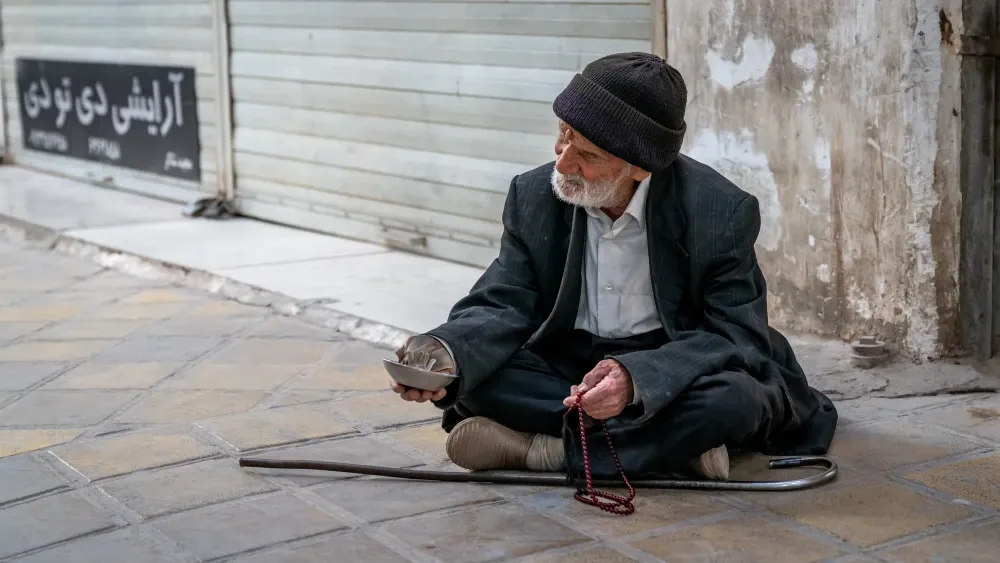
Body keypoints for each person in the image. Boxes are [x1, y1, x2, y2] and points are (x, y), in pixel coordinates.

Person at [389, 52, 838, 481]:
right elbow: (505, 300)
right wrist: (447, 352)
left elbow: (736, 333)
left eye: (588, 155)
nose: (563, 161)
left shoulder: (720, 211)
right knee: (477, 379)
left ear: (641, 168)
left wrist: (638, 380)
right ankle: (669, 448)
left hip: (673, 360)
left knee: (734, 400)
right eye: (564, 133)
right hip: (567, 364)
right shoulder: (533, 194)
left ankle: (541, 452)